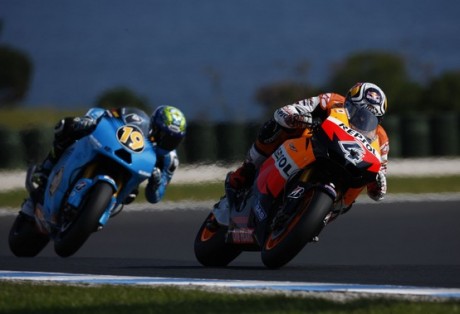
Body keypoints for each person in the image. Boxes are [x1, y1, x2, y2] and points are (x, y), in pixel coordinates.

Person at [226, 82, 389, 224]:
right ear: (347, 101)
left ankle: (320, 216)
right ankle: (247, 168)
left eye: (369, 118)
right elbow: (287, 111)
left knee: (361, 180)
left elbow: (379, 178)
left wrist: (378, 183)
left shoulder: (382, 139)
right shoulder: (331, 100)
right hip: (317, 145)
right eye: (356, 110)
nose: (361, 119)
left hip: (346, 168)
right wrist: (294, 117)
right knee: (276, 127)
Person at [20, 105, 187, 217]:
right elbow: (110, 114)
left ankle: (98, 210)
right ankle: (46, 168)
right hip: (113, 151)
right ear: (154, 126)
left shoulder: (169, 160)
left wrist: (156, 181)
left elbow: (156, 197)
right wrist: (92, 120)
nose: (167, 142)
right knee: (67, 126)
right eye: (164, 135)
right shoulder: (138, 122)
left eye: (173, 140)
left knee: (131, 196)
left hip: (130, 178)